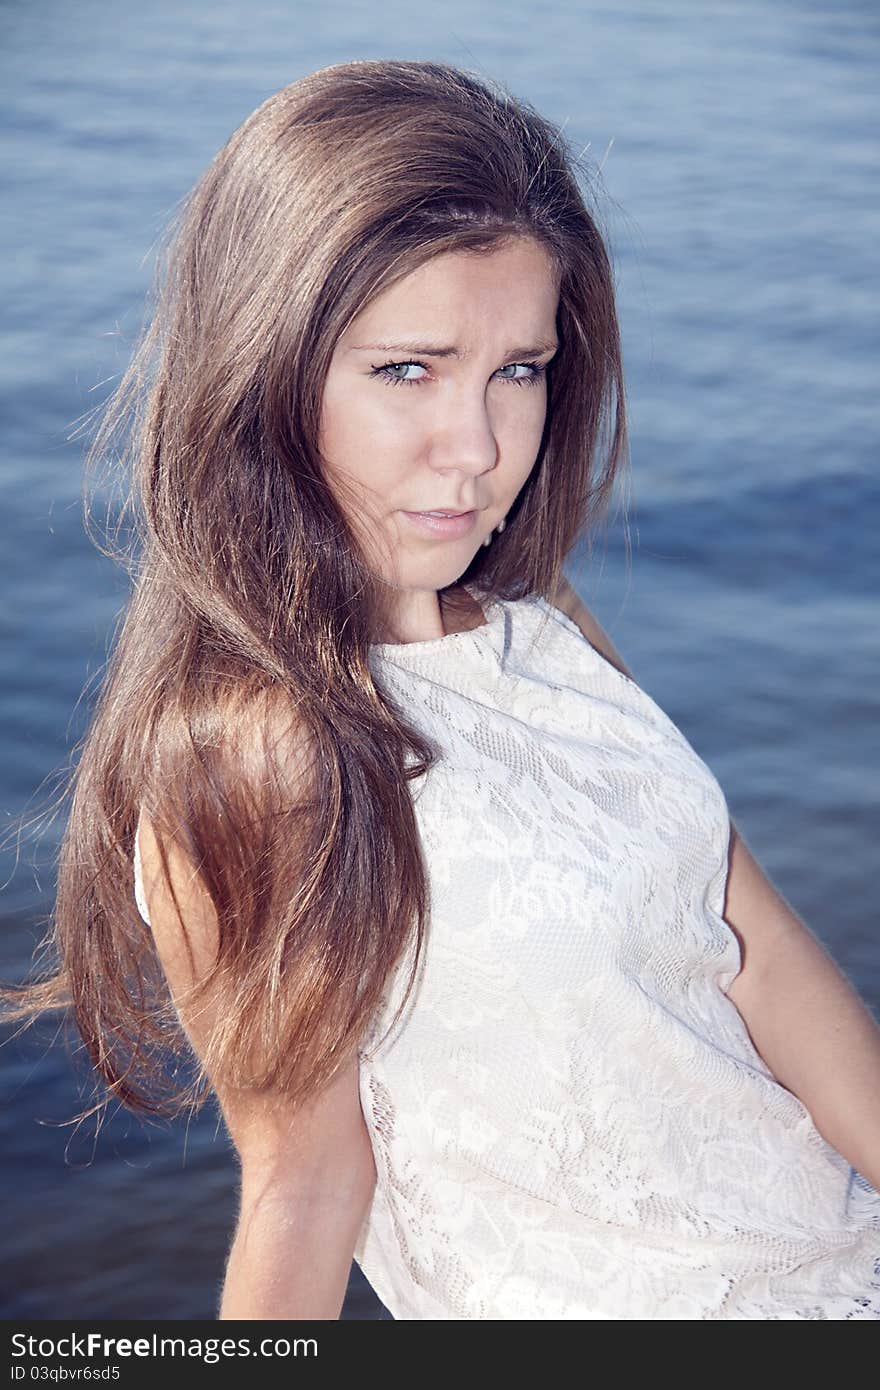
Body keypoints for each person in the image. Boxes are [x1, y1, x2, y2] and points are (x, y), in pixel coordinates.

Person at [3, 58, 879, 1322]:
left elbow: (753, 955)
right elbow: (304, 1191)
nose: (476, 450)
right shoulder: (253, 761)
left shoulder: (540, 630)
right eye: (407, 369)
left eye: (517, 369)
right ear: (265, 370)